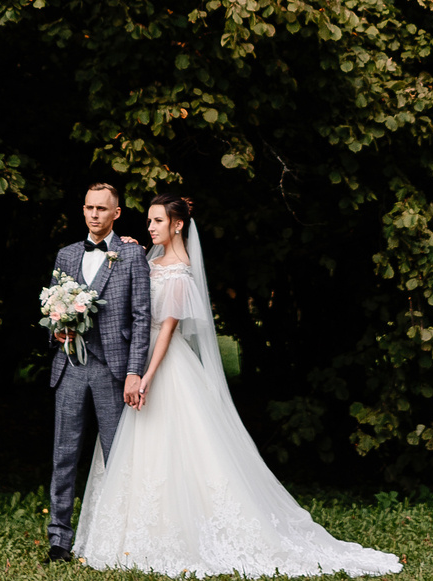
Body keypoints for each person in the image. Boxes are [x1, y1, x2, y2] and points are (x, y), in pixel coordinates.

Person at [73, 195, 402, 576]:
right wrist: (128, 249)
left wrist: (146, 376)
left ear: (177, 225)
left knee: (175, 444)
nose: (150, 227)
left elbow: (166, 331)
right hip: (137, 358)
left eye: (158, 221)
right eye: (148, 221)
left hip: (164, 364)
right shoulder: (149, 260)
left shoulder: (180, 271)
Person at [46, 182, 152, 564]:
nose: (94, 214)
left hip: (112, 369)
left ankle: (122, 538)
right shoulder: (67, 254)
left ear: (116, 213)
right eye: (89, 208)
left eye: (102, 209)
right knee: (64, 455)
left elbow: (142, 318)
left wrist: (134, 371)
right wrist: (55, 330)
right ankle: (59, 540)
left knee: (117, 456)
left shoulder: (131, 254)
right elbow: (51, 308)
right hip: (71, 365)